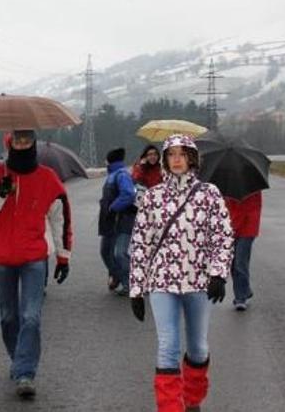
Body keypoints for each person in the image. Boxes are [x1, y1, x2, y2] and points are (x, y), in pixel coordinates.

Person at [128, 134, 234, 412]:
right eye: (171, 154)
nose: (176, 159)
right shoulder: (153, 197)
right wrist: (136, 289)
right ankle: (170, 408)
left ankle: (192, 399)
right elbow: (140, 243)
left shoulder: (208, 194)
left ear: (192, 158)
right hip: (162, 281)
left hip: (199, 282)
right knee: (168, 347)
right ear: (164, 160)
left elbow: (222, 236)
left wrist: (218, 273)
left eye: (182, 154)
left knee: (198, 347)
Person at [0, 129, 72, 400]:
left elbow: (60, 219)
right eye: (18, 140)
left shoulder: (47, 178)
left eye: (27, 139)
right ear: (10, 142)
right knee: (8, 317)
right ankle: (19, 360)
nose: (23, 144)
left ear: (34, 143)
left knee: (31, 316)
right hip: (2, 259)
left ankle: (25, 372)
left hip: (34, 259)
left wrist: (63, 256)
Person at [98, 147, 136, 296]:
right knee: (105, 252)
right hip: (110, 222)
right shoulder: (114, 175)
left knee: (119, 254)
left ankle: (131, 282)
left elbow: (128, 195)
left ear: (110, 160)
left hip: (121, 221)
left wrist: (113, 208)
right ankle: (119, 277)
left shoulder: (121, 175)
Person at [225, 191, 262, 311]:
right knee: (232, 262)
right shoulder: (227, 185)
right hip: (231, 226)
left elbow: (254, 208)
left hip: (248, 226)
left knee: (240, 262)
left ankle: (240, 298)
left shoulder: (253, 185)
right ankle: (245, 290)